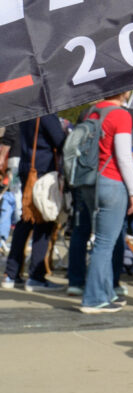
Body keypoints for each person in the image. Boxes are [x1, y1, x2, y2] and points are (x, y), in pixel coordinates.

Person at [82, 90, 133, 313]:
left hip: (90, 181)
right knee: (105, 244)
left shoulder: (93, 112)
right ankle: (94, 298)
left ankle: (106, 293)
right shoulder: (121, 115)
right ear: (125, 91)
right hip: (112, 181)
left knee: (102, 241)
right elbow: (124, 157)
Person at [2, 110, 68, 291]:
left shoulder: (26, 112)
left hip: (27, 168)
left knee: (26, 220)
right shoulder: (47, 114)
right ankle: (36, 276)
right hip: (42, 171)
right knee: (43, 222)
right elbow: (61, 142)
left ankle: (11, 273)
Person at [62, 110, 102, 295]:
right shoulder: (109, 117)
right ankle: (104, 282)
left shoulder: (85, 119)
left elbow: (69, 150)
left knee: (80, 231)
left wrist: (72, 179)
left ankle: (75, 281)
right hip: (102, 180)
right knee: (106, 235)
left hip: (81, 181)